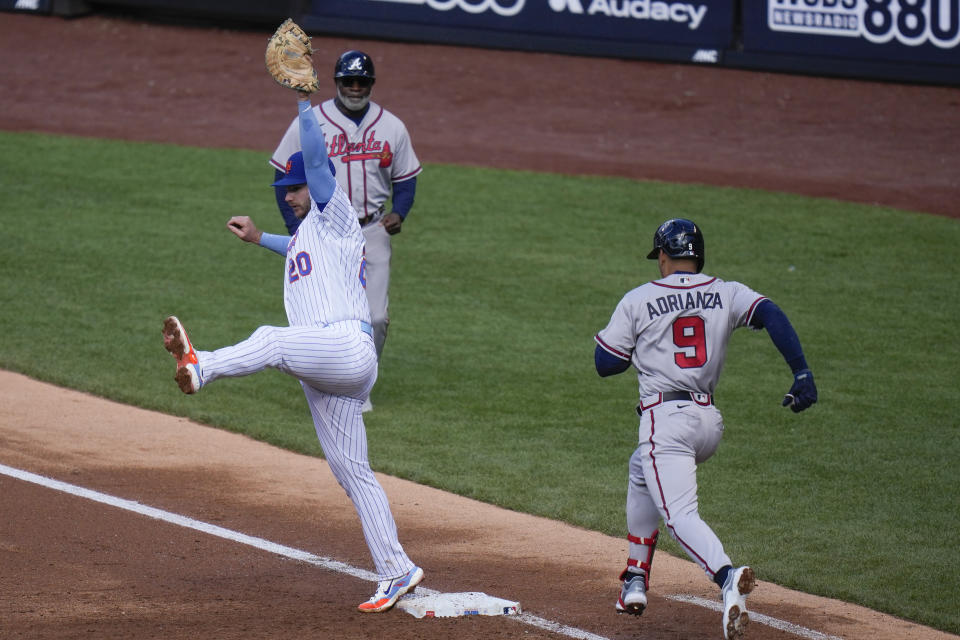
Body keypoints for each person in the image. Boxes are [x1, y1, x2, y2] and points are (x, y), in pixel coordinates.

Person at [161, 87, 423, 614]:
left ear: (316, 189)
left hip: (347, 347)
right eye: (285, 189)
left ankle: (200, 365)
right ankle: (397, 570)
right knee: (353, 474)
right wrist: (260, 238)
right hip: (325, 372)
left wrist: (306, 106)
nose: (289, 195)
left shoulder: (338, 215)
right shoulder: (306, 236)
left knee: (271, 339)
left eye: (296, 188)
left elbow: (321, 163)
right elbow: (296, 248)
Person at [593, 218, 817, 640]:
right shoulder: (727, 291)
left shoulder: (640, 299)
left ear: (663, 257)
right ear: (698, 258)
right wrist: (801, 372)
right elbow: (771, 313)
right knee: (641, 468)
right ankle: (635, 580)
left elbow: (605, 364)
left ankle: (727, 576)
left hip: (667, 423)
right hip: (708, 424)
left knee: (679, 515)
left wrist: (640, 347)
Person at [270, 50, 422, 385]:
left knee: (377, 317)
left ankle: (361, 382)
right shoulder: (309, 124)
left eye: (361, 81)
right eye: (348, 81)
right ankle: (325, 380)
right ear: (337, 82)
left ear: (371, 84)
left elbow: (406, 178)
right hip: (324, 232)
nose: (355, 87)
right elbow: (284, 176)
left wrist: (400, 212)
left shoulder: (392, 126)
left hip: (371, 229)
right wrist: (298, 231)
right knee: (325, 315)